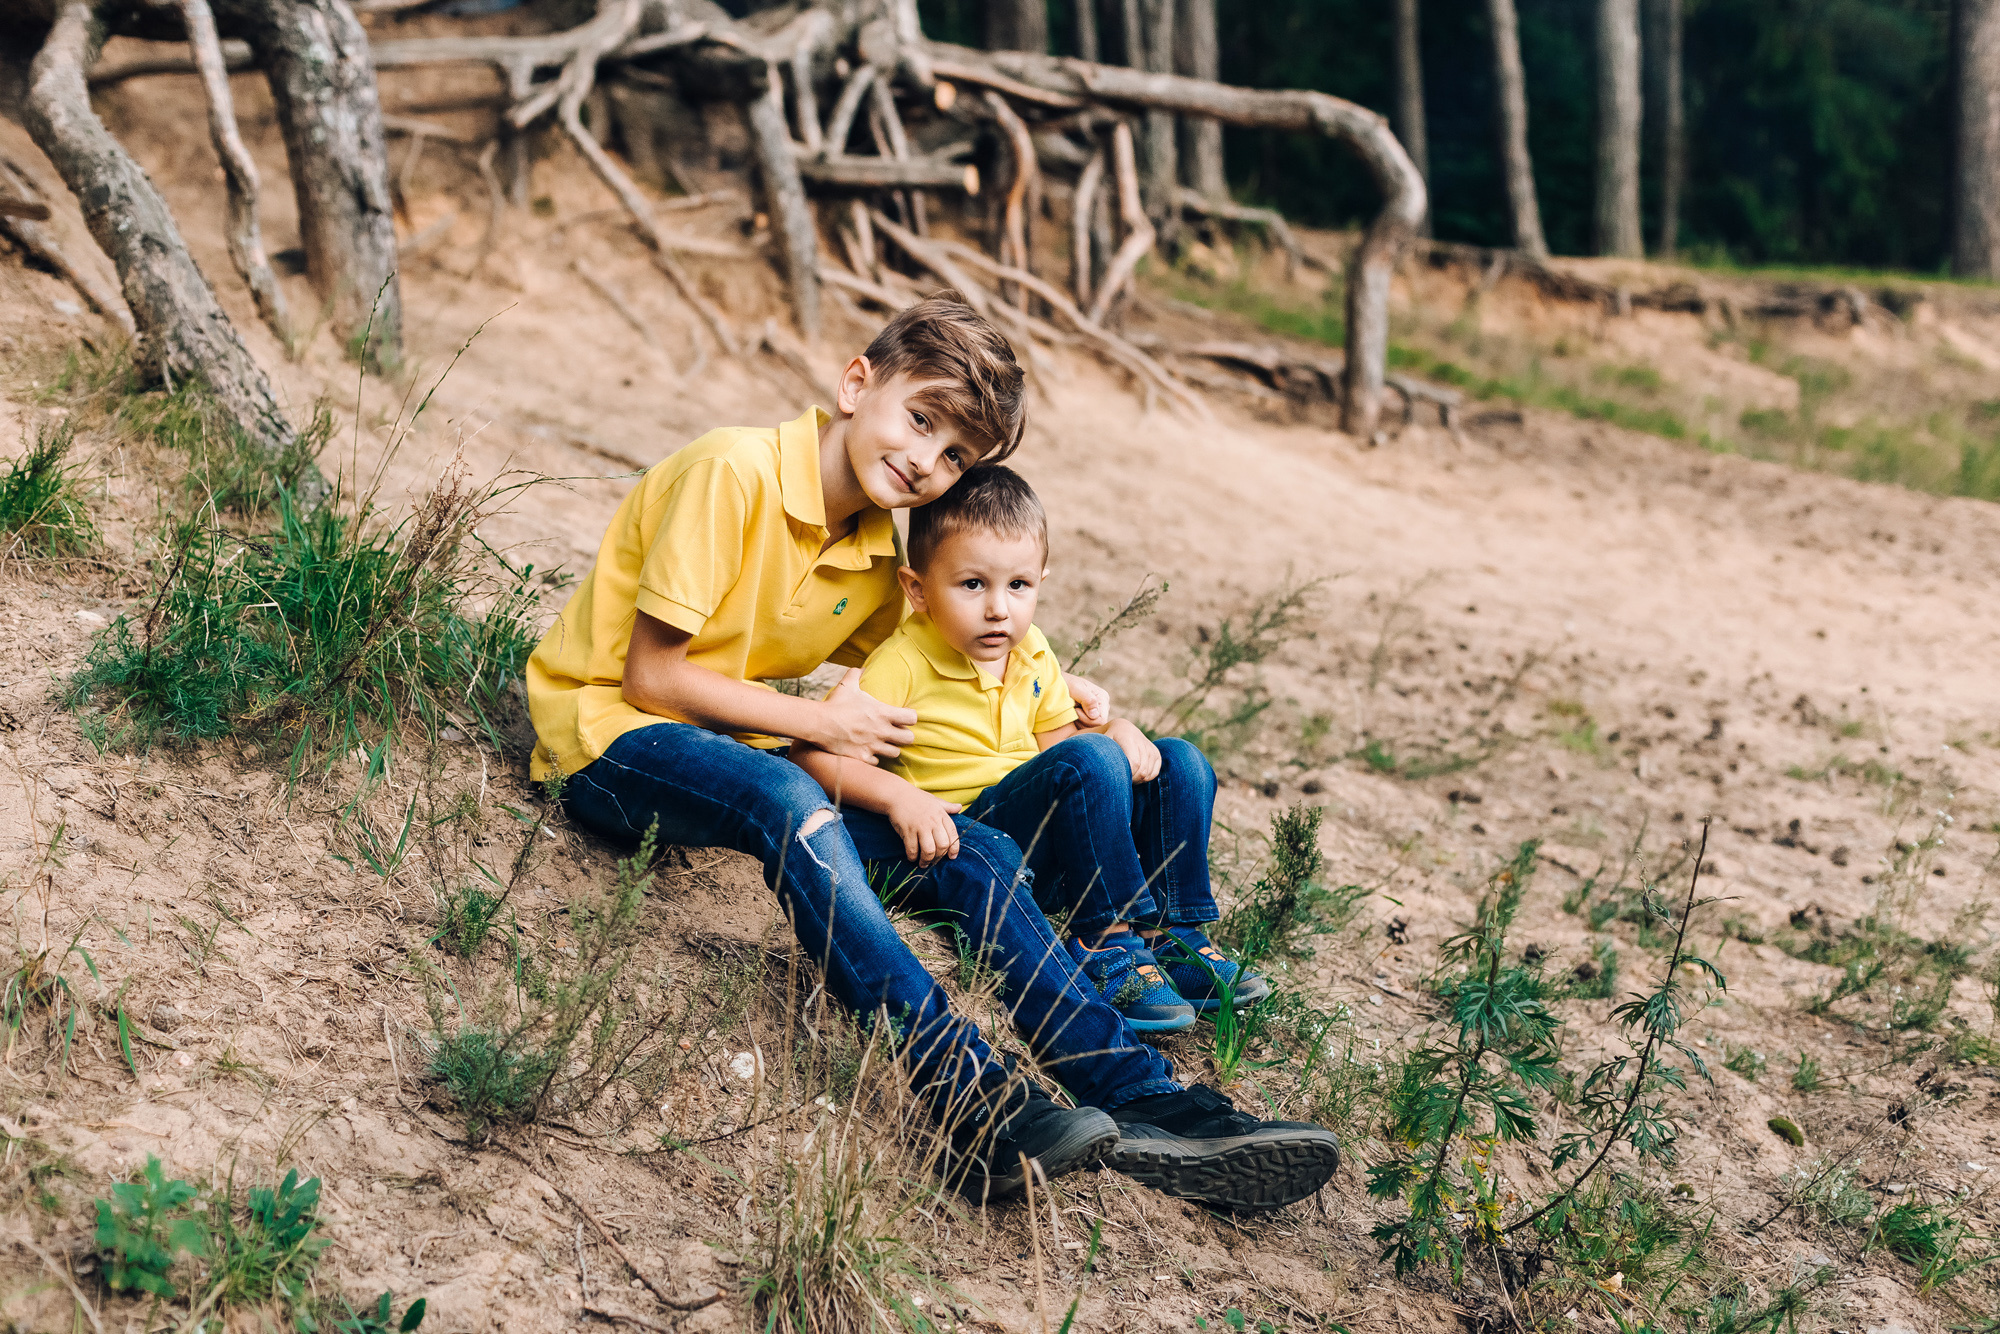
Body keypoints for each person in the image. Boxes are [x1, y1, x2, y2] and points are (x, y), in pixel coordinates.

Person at [529, 293, 1336, 1211]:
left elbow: (952, 638)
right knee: (787, 800)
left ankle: (1146, 1097)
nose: (925, 461)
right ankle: (969, 1096)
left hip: (737, 754)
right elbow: (652, 679)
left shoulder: (881, 546)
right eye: (919, 420)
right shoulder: (735, 472)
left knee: (972, 848)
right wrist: (821, 728)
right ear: (855, 383)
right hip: (608, 739)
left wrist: (1060, 692)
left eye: (955, 453)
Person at [795, 462, 1340, 1210]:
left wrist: (1115, 729)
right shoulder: (902, 661)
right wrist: (897, 796)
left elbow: (1060, 743)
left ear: (1042, 580)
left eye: (1019, 587)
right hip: (973, 833)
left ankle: (1179, 938)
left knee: (1177, 760)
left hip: (1044, 845)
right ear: (918, 589)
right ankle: (1103, 939)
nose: (999, 611)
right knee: (1089, 758)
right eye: (972, 586)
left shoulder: (1031, 652)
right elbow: (817, 753)